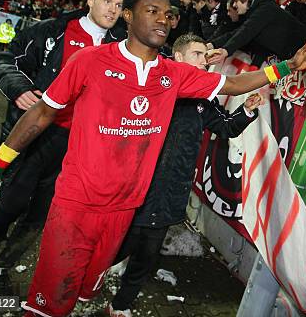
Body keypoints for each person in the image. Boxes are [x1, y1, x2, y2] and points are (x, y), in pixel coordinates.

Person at [0, 0, 306, 317]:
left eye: (168, 13)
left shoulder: (173, 74)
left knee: (85, 294)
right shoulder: (90, 62)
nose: (163, 19)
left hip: (125, 210)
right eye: (151, 10)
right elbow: (39, 115)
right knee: (49, 303)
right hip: (77, 205)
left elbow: (232, 83)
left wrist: (287, 66)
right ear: (128, 15)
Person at [0, 0, 126, 296]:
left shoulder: (119, 47)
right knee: (12, 202)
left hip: (77, 148)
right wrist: (19, 89)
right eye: (107, 1)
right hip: (39, 136)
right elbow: (5, 60)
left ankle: (4, 266)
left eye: (119, 5)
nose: (113, 9)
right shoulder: (51, 31)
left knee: (40, 213)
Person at [108, 33, 261, 317]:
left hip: (171, 192)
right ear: (177, 57)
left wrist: (247, 111)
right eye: (196, 54)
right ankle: (86, 281)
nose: (203, 61)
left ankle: (121, 305)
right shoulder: (155, 81)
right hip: (137, 186)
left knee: (148, 253)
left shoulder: (203, 97)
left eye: (206, 55)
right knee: (118, 242)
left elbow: (225, 127)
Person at [206, 0, 306, 67]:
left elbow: (246, 32)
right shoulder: (257, 12)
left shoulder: (265, 9)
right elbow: (237, 33)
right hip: (294, 57)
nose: (234, 5)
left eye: (236, 1)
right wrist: (212, 44)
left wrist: (225, 51)